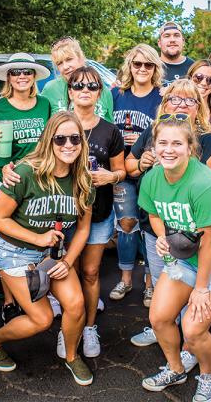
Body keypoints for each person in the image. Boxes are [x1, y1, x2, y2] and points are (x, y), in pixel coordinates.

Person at [138, 115, 211, 402]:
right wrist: (162, 236)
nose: (168, 149)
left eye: (177, 143)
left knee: (192, 327)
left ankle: (207, 376)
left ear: (190, 148)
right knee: (159, 316)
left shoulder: (203, 183)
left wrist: (200, 289)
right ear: (154, 145)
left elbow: (210, 241)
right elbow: (154, 213)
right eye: (162, 142)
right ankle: (176, 368)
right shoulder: (152, 177)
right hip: (187, 254)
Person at [0, 111, 95, 386]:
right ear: (48, 141)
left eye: (74, 139)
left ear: (82, 142)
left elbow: (83, 229)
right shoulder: (26, 173)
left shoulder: (83, 180)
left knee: (77, 305)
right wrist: (38, 238)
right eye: (60, 139)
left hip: (51, 254)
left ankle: (70, 356)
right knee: (42, 319)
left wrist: (68, 261)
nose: (68, 145)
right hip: (14, 252)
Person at [127, 79, 211, 355]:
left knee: (186, 284)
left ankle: (185, 340)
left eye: (189, 101)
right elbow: (129, 165)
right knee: (161, 280)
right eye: (174, 100)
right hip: (155, 224)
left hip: (188, 230)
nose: (181, 105)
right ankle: (163, 328)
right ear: (164, 104)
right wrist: (141, 162)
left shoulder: (204, 138)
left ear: (198, 107)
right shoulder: (153, 131)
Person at [0, 53, 51, 322]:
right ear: (8, 77)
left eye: (27, 72)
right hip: (6, 177)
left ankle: (34, 291)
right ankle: (10, 300)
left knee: (34, 233)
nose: (22, 76)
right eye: (16, 72)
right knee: (3, 237)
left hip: (38, 180)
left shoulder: (44, 105)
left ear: (34, 77)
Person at [66, 66, 125, 357]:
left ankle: (89, 327)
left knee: (90, 272)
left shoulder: (109, 130)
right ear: (70, 91)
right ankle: (70, 328)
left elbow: (122, 170)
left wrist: (110, 177)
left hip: (99, 212)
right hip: (65, 215)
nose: (84, 91)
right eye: (78, 86)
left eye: (91, 86)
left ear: (99, 92)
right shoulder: (59, 125)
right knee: (69, 272)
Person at [109, 44, 163, 304]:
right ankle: (126, 279)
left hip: (150, 172)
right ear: (129, 65)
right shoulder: (116, 94)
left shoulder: (160, 98)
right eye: (137, 64)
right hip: (121, 169)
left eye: (148, 65)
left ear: (155, 68)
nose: (142, 69)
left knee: (152, 228)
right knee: (127, 224)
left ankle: (150, 283)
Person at [41, 36, 114, 122]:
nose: (65, 67)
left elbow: (110, 127)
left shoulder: (102, 90)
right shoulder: (51, 89)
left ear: (80, 58)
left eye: (69, 59)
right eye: (60, 63)